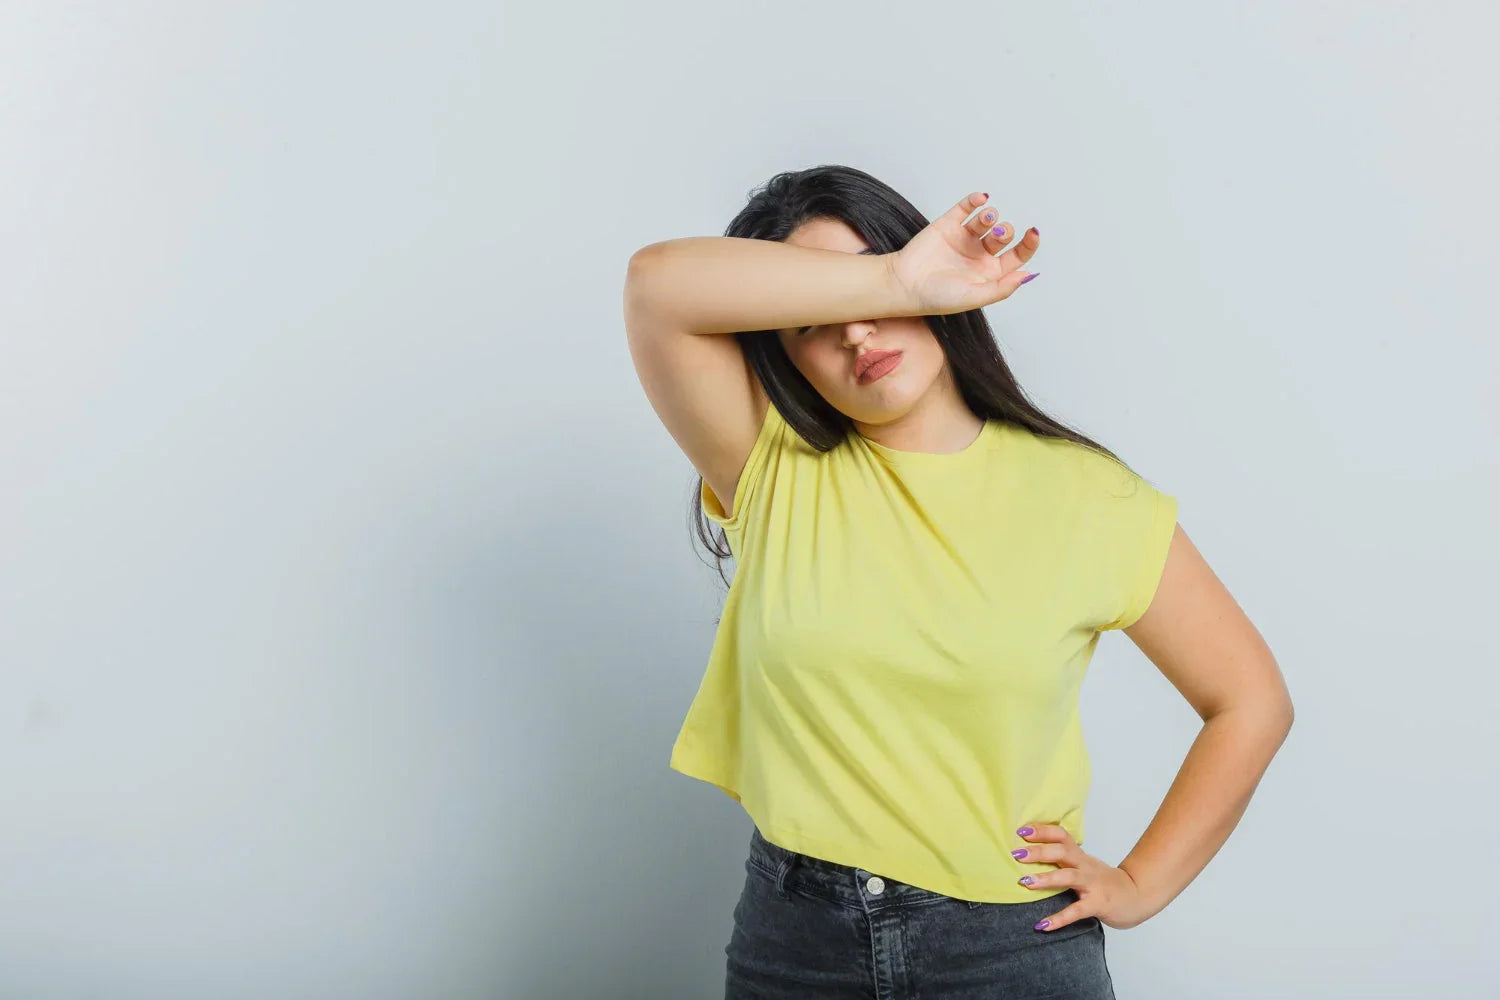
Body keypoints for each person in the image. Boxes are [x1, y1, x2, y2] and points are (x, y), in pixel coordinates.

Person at [623, 164, 1294, 999]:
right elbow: (656, 287)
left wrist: (1141, 882)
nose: (857, 335)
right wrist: (895, 277)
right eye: (812, 320)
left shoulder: (1091, 497)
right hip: (795, 940)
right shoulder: (771, 467)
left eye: (876, 294)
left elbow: (1251, 701)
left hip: (1011, 949)